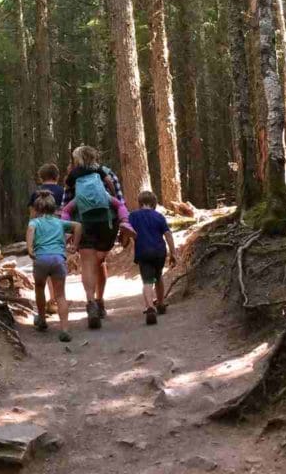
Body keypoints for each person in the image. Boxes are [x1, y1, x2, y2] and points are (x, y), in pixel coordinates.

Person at [59, 145, 134, 329]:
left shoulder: (73, 175)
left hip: (83, 223)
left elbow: (66, 202)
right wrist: (121, 215)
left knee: (87, 263)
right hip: (107, 222)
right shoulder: (106, 172)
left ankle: (91, 302)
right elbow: (119, 198)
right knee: (100, 261)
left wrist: (68, 228)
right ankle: (100, 301)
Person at [26, 190, 80, 342]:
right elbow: (78, 226)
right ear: (54, 208)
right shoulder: (60, 222)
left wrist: (30, 248)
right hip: (58, 260)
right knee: (60, 295)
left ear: (37, 209)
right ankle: (64, 329)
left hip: (41, 259)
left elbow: (30, 230)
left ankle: (42, 319)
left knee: (39, 288)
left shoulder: (34, 222)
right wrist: (74, 245)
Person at [128, 190, 177, 325]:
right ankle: (160, 303)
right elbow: (168, 234)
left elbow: (127, 230)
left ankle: (150, 307)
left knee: (147, 281)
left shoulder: (133, 216)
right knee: (158, 276)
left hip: (143, 251)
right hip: (159, 252)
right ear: (154, 204)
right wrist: (173, 253)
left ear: (139, 203)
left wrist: (128, 240)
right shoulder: (159, 216)